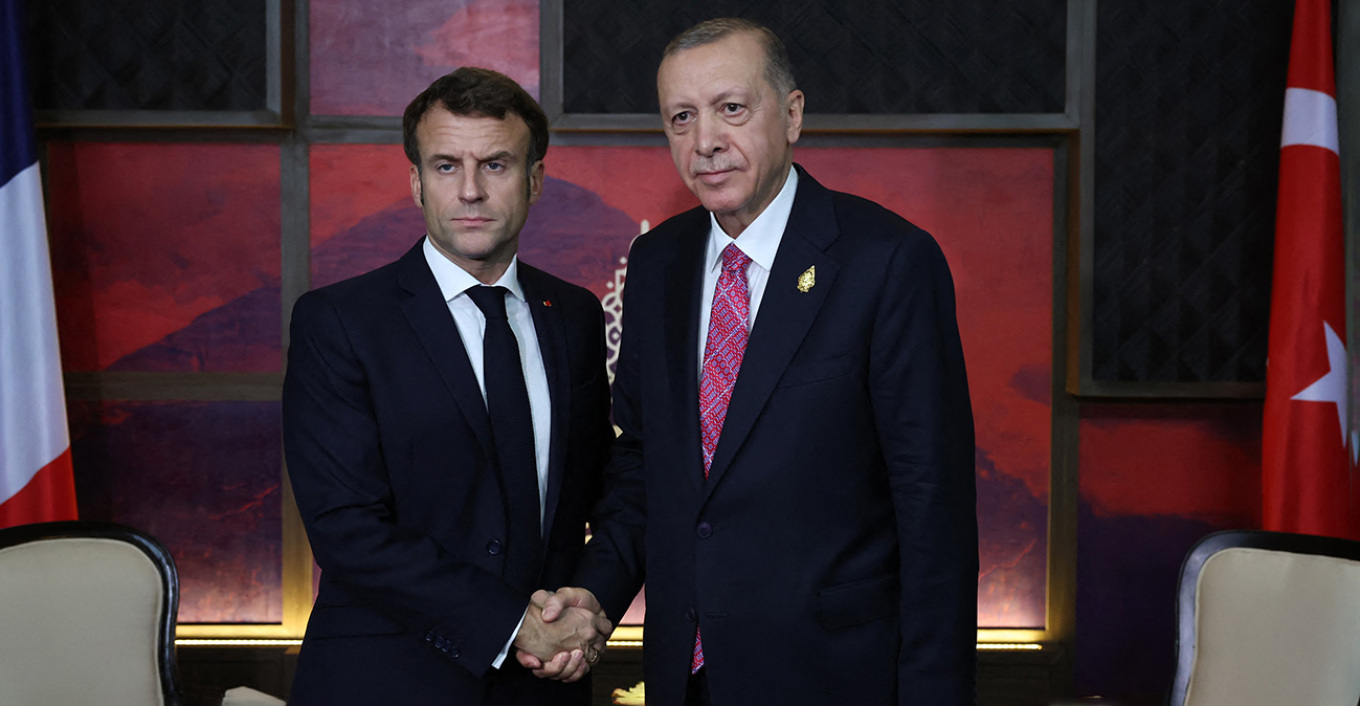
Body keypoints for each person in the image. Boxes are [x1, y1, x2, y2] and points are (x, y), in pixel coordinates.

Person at [526, 18, 979, 706]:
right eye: (681, 117)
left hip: (833, 676)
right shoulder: (658, 262)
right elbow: (644, 464)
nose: (705, 140)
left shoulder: (887, 261)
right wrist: (596, 595)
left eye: (731, 108)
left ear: (792, 115)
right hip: (684, 675)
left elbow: (933, 506)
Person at [282, 67, 616, 705]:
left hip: (545, 683)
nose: (470, 190)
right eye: (445, 166)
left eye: (495, 165)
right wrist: (512, 625)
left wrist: (588, 606)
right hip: (385, 682)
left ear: (534, 180)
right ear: (416, 182)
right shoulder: (340, 321)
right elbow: (346, 526)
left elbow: (600, 487)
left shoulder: (573, 314)